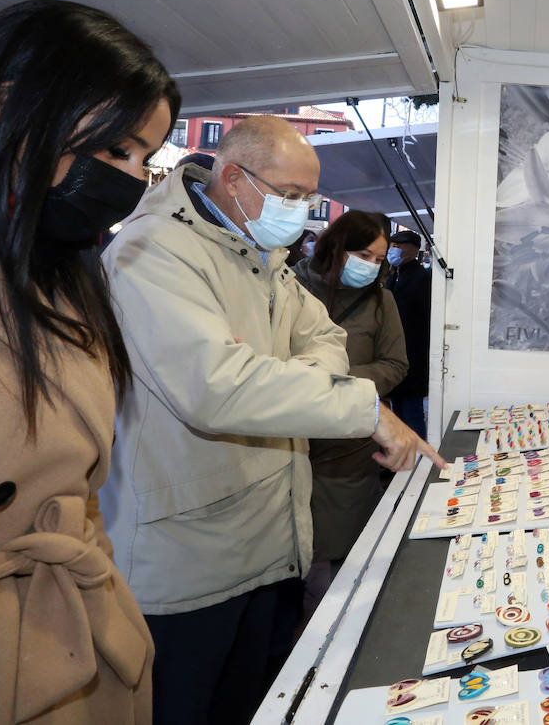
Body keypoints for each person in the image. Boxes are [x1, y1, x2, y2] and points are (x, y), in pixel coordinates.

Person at [100, 115, 447, 725]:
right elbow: (219, 386)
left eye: (308, 197)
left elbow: (327, 338)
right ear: (234, 178)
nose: (301, 209)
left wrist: (283, 375)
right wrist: (361, 409)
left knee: (252, 703)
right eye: (291, 195)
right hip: (187, 559)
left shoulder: (265, 257)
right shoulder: (153, 251)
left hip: (268, 543)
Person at [0, 0, 177, 723]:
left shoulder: (60, 275)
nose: (130, 177)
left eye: (143, 159)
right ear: (10, 110)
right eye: (116, 149)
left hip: (80, 644)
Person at [293, 210, 407, 582]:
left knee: (345, 560)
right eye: (364, 256)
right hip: (288, 442)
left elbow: (395, 364)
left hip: (350, 448)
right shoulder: (291, 288)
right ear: (339, 247)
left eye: (378, 259)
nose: (371, 266)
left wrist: (340, 383)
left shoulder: (380, 301)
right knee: (290, 555)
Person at [385, 228, 432, 438]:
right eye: (392, 246)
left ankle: (418, 458)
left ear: (413, 249)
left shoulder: (421, 278)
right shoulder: (393, 276)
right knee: (398, 413)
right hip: (395, 355)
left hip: (413, 354)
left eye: (398, 246)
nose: (393, 250)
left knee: (412, 414)